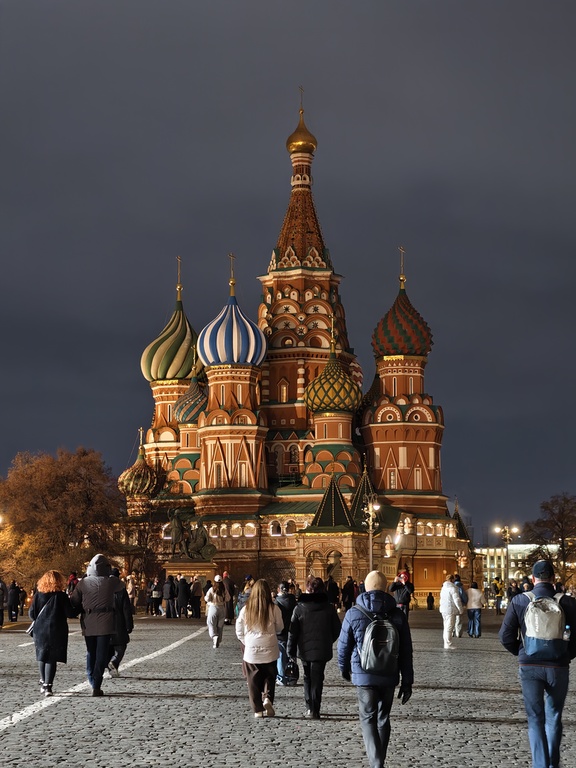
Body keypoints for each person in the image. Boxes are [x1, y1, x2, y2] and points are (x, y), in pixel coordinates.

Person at [499, 560, 576, 768]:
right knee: (554, 716)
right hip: (558, 667)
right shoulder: (568, 602)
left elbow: (505, 636)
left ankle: (540, 765)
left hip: (530, 666)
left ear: (533, 579)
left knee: (535, 718)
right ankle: (552, 764)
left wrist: (522, 652)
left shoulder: (519, 601)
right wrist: (567, 655)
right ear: (553, 578)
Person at [338, 570, 414, 768]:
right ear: (386, 587)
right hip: (389, 673)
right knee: (383, 718)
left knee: (367, 718)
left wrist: (344, 668)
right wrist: (407, 681)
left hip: (364, 674)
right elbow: (406, 650)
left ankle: (377, 763)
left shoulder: (354, 613)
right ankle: (380, 759)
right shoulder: (397, 615)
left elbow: (343, 646)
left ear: (365, 587)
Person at [70, 553, 126, 696]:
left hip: (88, 620)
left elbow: (74, 601)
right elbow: (122, 585)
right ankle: (97, 682)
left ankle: (91, 677)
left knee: (91, 651)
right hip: (106, 621)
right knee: (101, 653)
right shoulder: (111, 582)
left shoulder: (83, 583)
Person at [287, 575, 341, 719]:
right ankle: (315, 709)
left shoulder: (299, 608)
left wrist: (290, 650)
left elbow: (293, 632)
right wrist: (328, 640)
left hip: (304, 649)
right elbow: (337, 629)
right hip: (321, 649)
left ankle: (309, 707)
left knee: (307, 677)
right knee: (318, 678)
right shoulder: (329, 608)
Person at [235, 579, 283, 718]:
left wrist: (246, 641)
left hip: (252, 648)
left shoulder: (246, 609)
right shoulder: (274, 608)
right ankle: (267, 698)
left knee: (253, 680)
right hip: (270, 646)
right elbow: (280, 627)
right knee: (270, 675)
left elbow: (239, 629)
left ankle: (258, 710)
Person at [29, 570, 77, 697]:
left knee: (41, 655)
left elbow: (32, 614)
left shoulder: (38, 595)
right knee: (51, 657)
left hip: (40, 629)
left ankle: (43, 682)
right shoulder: (61, 596)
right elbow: (70, 613)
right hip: (57, 629)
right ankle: (48, 686)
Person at [275, 580, 297, 685]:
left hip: (281, 632)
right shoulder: (293, 601)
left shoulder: (276, 603)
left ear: (278, 589)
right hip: (292, 631)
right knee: (292, 655)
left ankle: (281, 677)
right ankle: (292, 676)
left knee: (281, 655)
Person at [439, 575, 463, 650]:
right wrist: (460, 609)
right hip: (450, 610)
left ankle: (446, 643)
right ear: (452, 580)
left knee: (446, 627)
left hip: (443, 609)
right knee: (449, 627)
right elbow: (457, 600)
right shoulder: (452, 588)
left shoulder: (443, 588)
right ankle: (448, 644)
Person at [204, 575, 226, 648]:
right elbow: (228, 598)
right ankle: (218, 640)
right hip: (222, 608)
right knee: (220, 625)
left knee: (211, 623)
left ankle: (214, 636)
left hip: (213, 607)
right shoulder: (224, 589)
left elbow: (207, 598)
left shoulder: (211, 589)